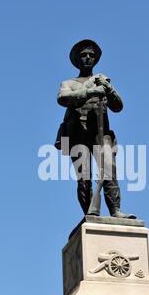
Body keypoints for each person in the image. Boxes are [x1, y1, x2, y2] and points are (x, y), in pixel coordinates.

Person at [56, 39, 135, 219]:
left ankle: (115, 210)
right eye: (83, 55)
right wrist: (90, 92)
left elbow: (118, 106)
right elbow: (63, 98)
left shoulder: (102, 80)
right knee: (84, 178)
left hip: (101, 133)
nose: (88, 58)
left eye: (91, 55)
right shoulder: (69, 83)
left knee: (109, 169)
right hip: (78, 133)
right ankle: (90, 213)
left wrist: (108, 88)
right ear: (77, 59)